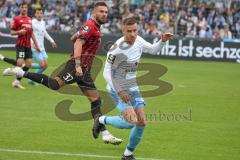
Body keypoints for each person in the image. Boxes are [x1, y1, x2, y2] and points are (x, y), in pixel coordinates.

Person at [3, 2, 122, 145]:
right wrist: (77, 64)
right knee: (54, 84)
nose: (104, 14)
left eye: (106, 12)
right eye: (101, 11)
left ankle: (105, 133)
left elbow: (74, 39)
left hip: (85, 70)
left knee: (96, 101)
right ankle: (21, 72)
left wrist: (78, 35)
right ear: (94, 13)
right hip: (76, 67)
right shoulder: (90, 26)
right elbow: (78, 43)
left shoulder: (93, 27)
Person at [93, 17, 173, 160]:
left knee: (141, 122)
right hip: (117, 88)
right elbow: (106, 72)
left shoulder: (139, 41)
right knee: (131, 122)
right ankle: (101, 120)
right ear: (123, 30)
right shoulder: (116, 48)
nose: (133, 34)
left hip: (133, 87)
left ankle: (128, 154)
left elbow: (154, 50)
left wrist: (162, 41)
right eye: (129, 31)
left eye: (135, 30)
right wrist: (120, 90)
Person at [0, 8, 57, 86]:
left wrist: (52, 41)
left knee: (45, 65)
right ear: (35, 14)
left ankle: (31, 78)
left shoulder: (43, 22)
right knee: (42, 65)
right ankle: (29, 75)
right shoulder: (32, 22)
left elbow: (45, 32)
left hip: (42, 47)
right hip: (34, 47)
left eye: (41, 13)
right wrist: (32, 43)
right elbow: (29, 34)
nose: (39, 14)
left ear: (42, 14)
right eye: (38, 13)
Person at [3, 2, 40, 89]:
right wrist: (19, 32)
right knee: (19, 63)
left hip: (28, 45)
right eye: (22, 7)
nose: (24, 9)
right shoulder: (16, 19)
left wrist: (36, 44)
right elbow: (12, 32)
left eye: (25, 7)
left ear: (27, 9)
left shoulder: (29, 19)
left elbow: (31, 33)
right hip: (21, 45)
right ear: (20, 9)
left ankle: (16, 82)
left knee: (28, 65)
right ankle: (9, 71)